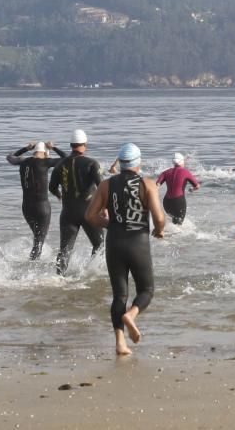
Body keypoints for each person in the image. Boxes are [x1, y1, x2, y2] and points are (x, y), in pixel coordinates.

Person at [85, 143, 166, 356]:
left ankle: (120, 344)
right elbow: (159, 218)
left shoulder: (106, 185)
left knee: (119, 295)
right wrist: (158, 231)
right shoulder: (147, 184)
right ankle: (131, 315)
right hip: (138, 242)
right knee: (146, 290)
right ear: (138, 163)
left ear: (120, 164)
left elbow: (90, 216)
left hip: (115, 243)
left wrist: (110, 225)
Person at [49, 129, 104, 276]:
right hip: (89, 212)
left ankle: (58, 278)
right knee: (100, 245)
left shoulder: (60, 165)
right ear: (85, 145)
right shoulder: (92, 163)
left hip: (68, 213)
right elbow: (102, 187)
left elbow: (51, 187)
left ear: (71, 145)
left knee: (65, 249)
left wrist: (59, 195)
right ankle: (90, 273)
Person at [8, 141, 67, 261]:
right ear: (46, 153)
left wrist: (25, 148)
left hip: (26, 208)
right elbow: (67, 158)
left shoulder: (23, 162)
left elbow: (10, 157)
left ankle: (32, 263)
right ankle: (32, 269)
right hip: (42, 208)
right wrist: (54, 147)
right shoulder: (45, 162)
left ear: (34, 152)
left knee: (37, 239)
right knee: (39, 241)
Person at [156, 153, 200, 225]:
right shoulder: (185, 172)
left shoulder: (165, 172)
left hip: (166, 203)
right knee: (178, 225)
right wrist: (192, 189)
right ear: (182, 162)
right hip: (178, 202)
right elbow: (197, 186)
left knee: (172, 222)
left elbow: (157, 185)